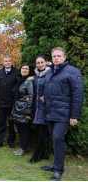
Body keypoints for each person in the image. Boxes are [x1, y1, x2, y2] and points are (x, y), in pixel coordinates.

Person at [40, 47, 84, 181]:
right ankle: (55, 164)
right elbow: (49, 89)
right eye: (54, 56)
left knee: (58, 138)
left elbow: (78, 95)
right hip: (50, 112)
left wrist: (74, 116)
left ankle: (59, 170)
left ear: (64, 57)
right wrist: (45, 98)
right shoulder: (50, 71)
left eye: (59, 56)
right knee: (54, 139)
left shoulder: (73, 72)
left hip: (63, 114)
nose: (56, 58)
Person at [0, 55, 19, 149]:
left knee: (12, 123)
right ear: (3, 63)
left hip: (12, 103)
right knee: (1, 123)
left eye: (9, 61)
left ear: (12, 62)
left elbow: (18, 86)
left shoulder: (16, 72)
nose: (7, 62)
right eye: (6, 61)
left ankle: (11, 141)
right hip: (1, 103)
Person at [28, 55, 51, 164]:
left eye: (42, 62)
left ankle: (35, 156)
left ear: (46, 62)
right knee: (41, 131)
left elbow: (57, 89)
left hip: (47, 107)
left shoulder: (51, 73)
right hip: (37, 107)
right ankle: (44, 153)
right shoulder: (36, 75)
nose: (40, 64)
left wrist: (48, 97)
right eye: (38, 63)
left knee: (42, 132)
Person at [11, 63, 34, 156]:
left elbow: (31, 96)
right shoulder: (20, 80)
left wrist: (28, 111)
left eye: (26, 69)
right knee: (20, 129)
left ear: (29, 71)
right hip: (18, 107)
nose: (24, 70)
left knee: (24, 130)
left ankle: (23, 148)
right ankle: (21, 147)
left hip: (24, 109)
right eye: (23, 68)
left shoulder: (29, 82)